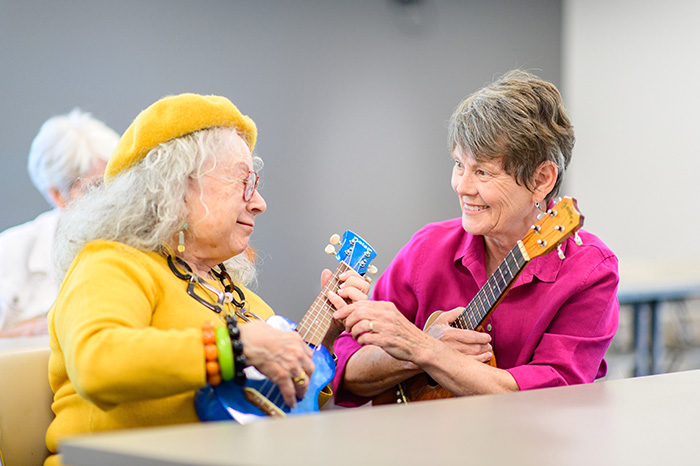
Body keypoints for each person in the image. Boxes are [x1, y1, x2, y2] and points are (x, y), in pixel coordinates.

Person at [44, 94, 369, 465]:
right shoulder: (110, 263)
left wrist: (324, 338)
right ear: (177, 187)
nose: (259, 202)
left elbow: (278, 404)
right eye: (244, 182)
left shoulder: (233, 291)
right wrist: (236, 345)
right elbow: (98, 363)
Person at [329, 70, 619, 406]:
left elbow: (553, 395)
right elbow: (346, 368)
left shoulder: (589, 271)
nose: (462, 187)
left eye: (482, 171)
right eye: (458, 164)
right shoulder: (427, 248)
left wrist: (423, 348)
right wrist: (414, 351)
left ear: (542, 179)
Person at [0, 109, 117, 338]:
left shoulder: (141, 242)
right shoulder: (10, 252)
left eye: (118, 182)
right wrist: (45, 326)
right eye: (96, 188)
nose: (112, 199)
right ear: (57, 195)